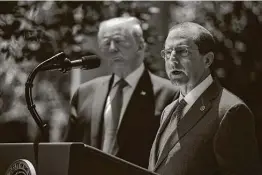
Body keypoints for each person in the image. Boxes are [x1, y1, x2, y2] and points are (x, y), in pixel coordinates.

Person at [148, 22, 262, 175]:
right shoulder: (169, 109)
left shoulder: (230, 112)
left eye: (182, 52)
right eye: (168, 52)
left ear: (207, 60)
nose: (172, 60)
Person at [65, 16, 178, 168]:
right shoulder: (84, 93)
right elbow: (69, 151)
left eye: (119, 41)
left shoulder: (170, 95)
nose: (112, 48)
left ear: (140, 45)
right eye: (106, 43)